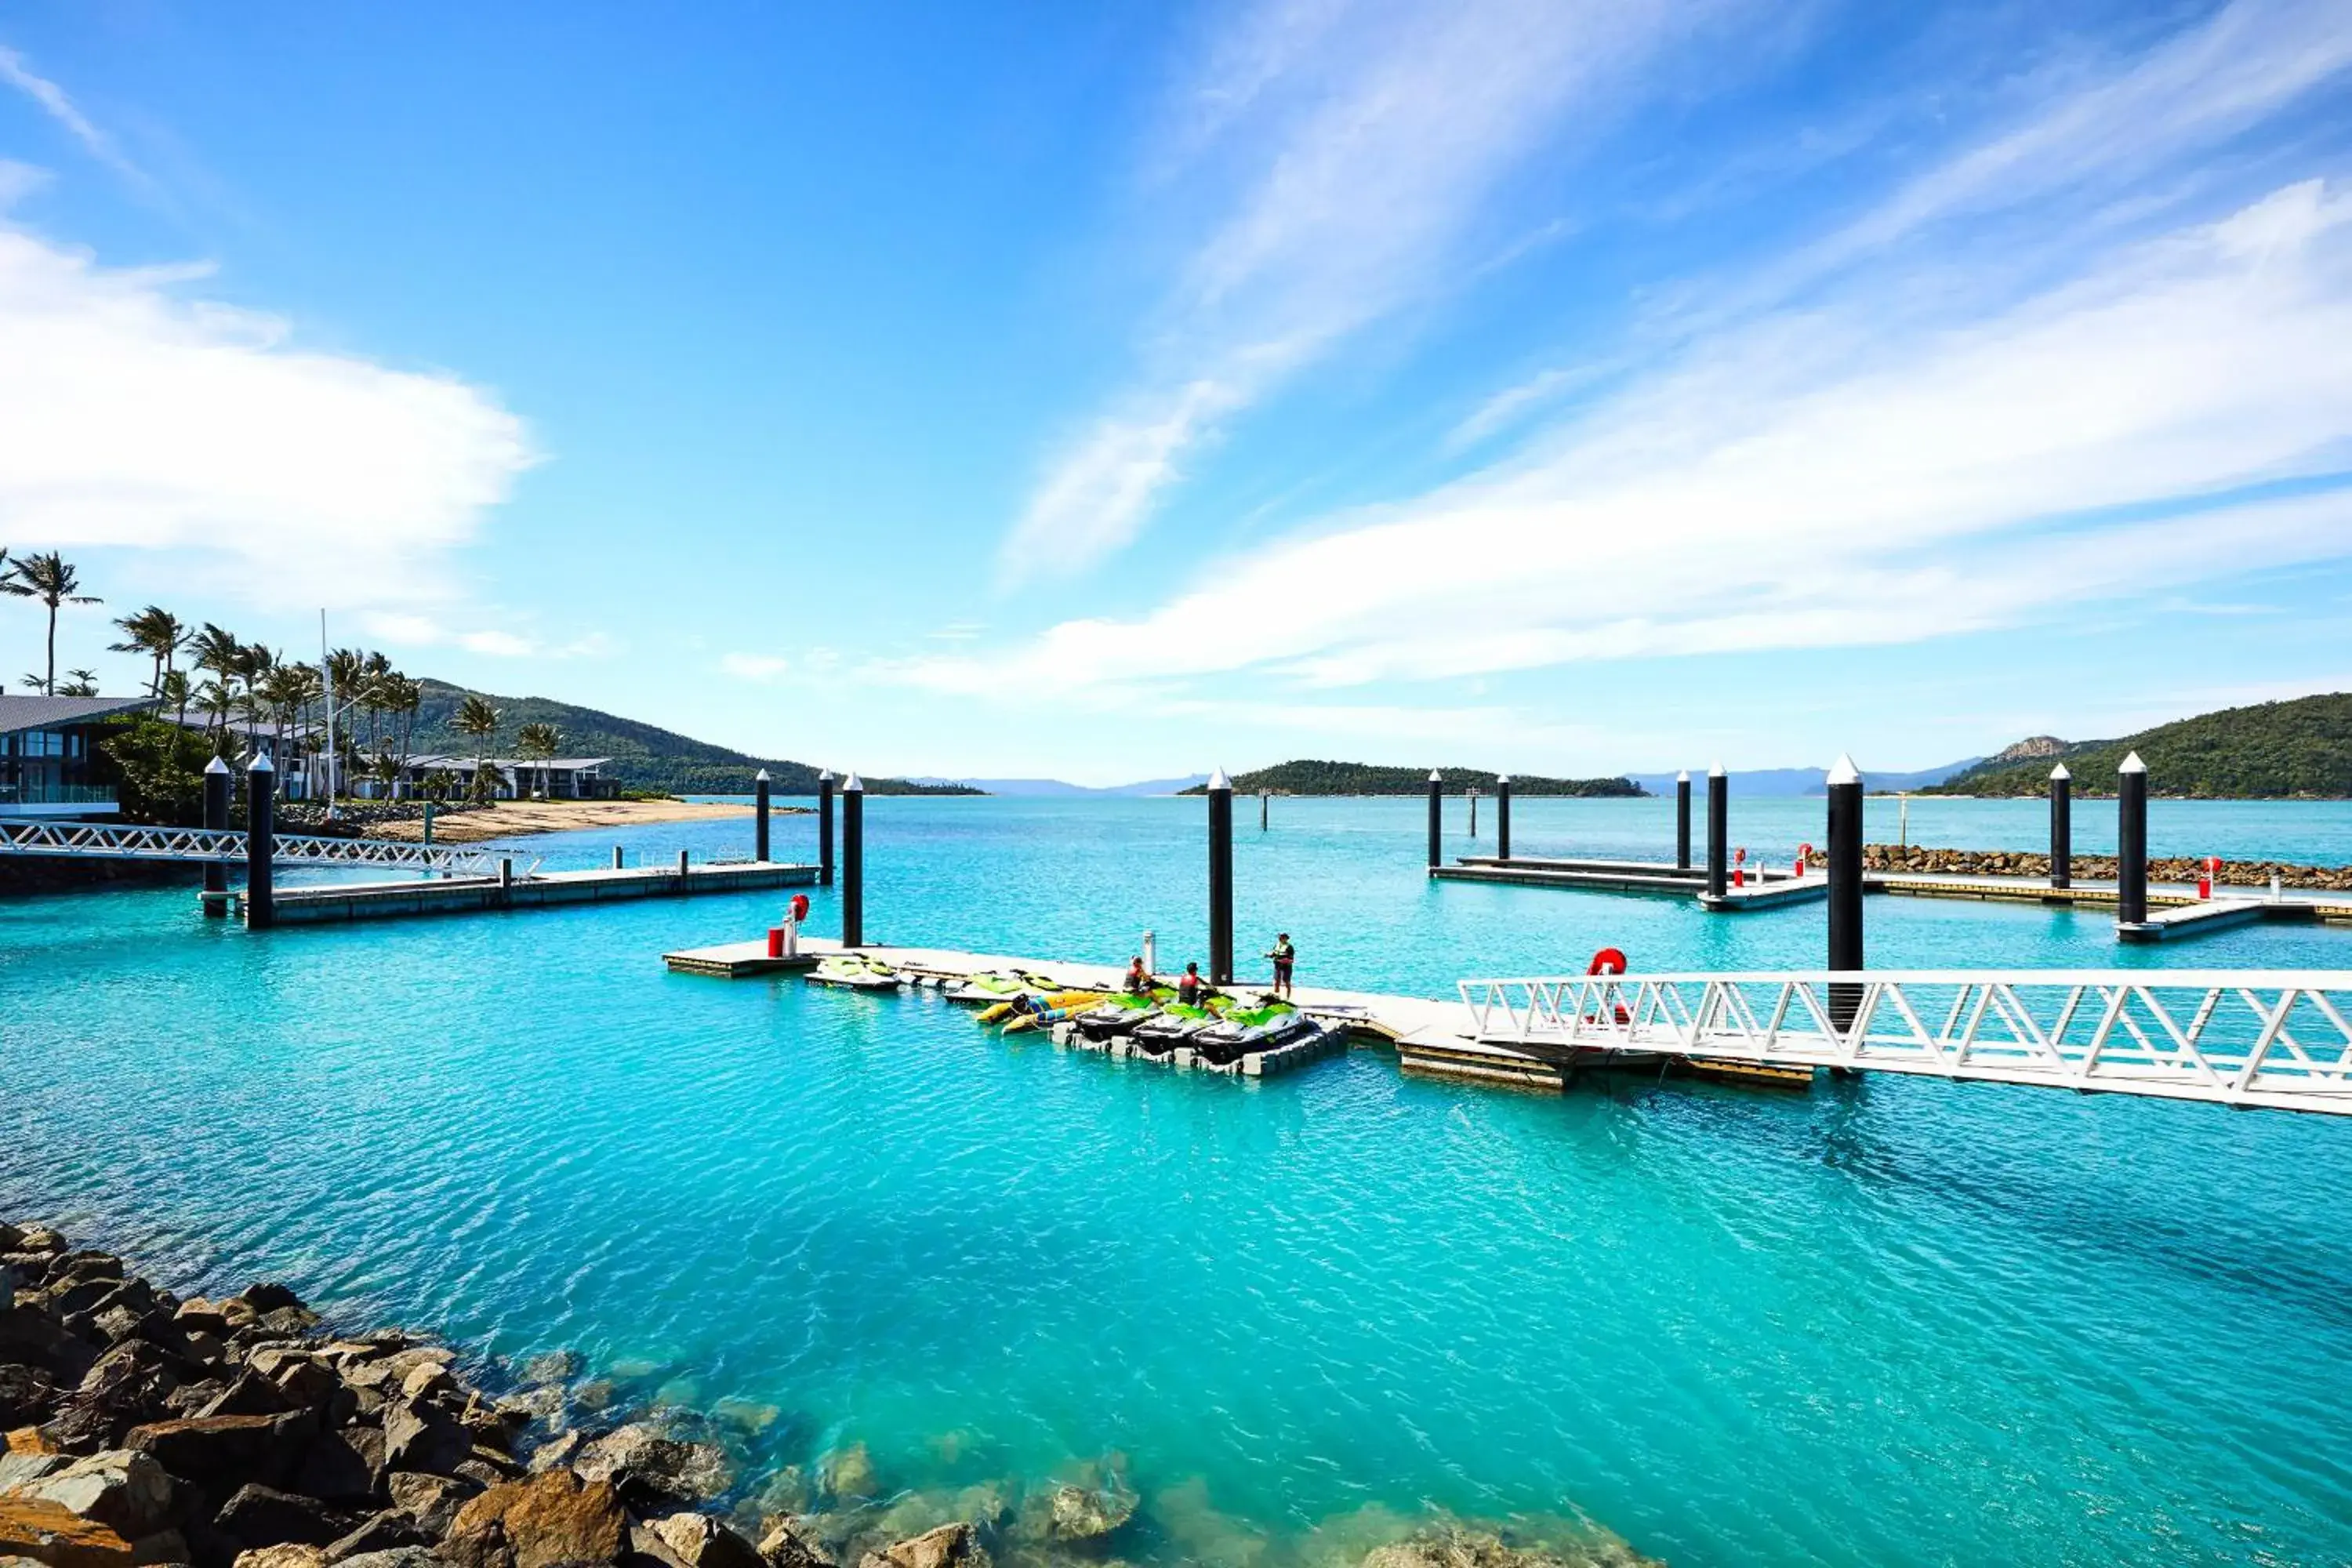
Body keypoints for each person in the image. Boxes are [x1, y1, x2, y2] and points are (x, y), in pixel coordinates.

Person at [1266, 932, 1296, 998]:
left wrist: (1285, 960)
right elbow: (1274, 954)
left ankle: (1287, 998)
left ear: (1286, 939)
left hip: (1286, 967)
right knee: (1276, 982)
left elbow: (1292, 960)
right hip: (1277, 966)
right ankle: (1276, 996)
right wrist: (1268, 955)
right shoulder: (1277, 945)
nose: (1281, 939)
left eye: (1283, 938)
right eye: (1281, 937)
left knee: (1286, 982)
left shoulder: (1289, 947)